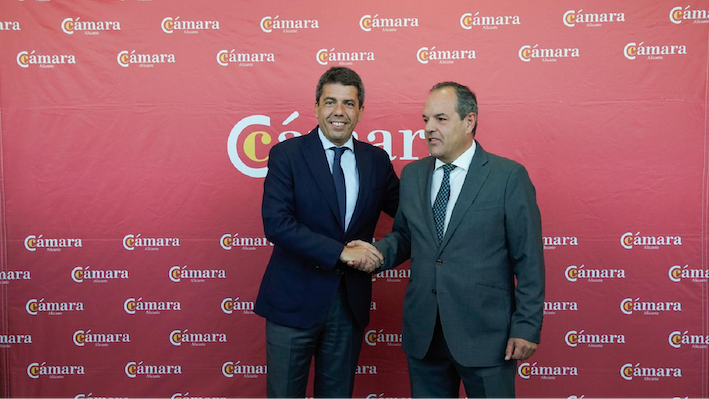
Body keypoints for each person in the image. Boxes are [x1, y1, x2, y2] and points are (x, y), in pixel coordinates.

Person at [350, 82, 544, 398]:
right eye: (425, 120)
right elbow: (405, 236)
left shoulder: (508, 177)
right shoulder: (413, 175)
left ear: (469, 121)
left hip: (486, 335)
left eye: (440, 119)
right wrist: (376, 253)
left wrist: (526, 326)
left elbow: (529, 259)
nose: (428, 129)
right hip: (425, 333)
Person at [254, 66, 399, 399]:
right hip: (292, 301)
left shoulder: (376, 160)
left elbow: (410, 216)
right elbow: (276, 223)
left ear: (360, 111)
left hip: (348, 306)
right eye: (330, 101)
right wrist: (341, 252)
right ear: (317, 107)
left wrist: (382, 253)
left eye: (348, 103)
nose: (339, 111)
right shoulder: (287, 155)